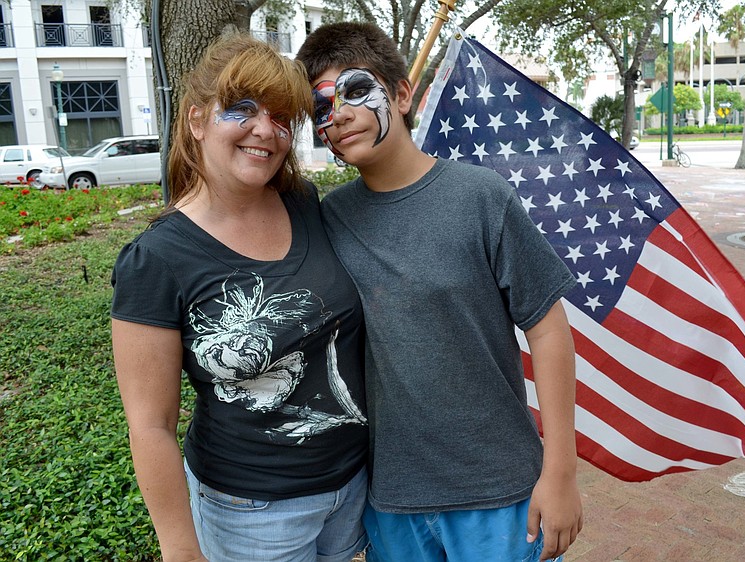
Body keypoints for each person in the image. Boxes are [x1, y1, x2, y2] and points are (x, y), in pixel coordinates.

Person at [297, 22, 583, 562]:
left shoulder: (481, 198)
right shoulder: (327, 218)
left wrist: (561, 470)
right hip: (392, 499)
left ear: (402, 94)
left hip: (500, 493)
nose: (338, 114)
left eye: (357, 91)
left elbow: (547, 330)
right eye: (321, 107)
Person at [111, 34, 369, 562]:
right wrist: (180, 548)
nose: (264, 130)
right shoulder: (156, 259)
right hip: (249, 514)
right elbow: (149, 426)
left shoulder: (304, 203)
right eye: (242, 109)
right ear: (197, 120)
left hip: (352, 490)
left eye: (280, 117)